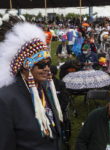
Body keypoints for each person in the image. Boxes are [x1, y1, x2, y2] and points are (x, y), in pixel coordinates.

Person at [0, 15, 63, 150]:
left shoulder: (43, 86)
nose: (47, 68)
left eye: (48, 63)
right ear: (25, 66)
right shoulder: (5, 99)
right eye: (41, 65)